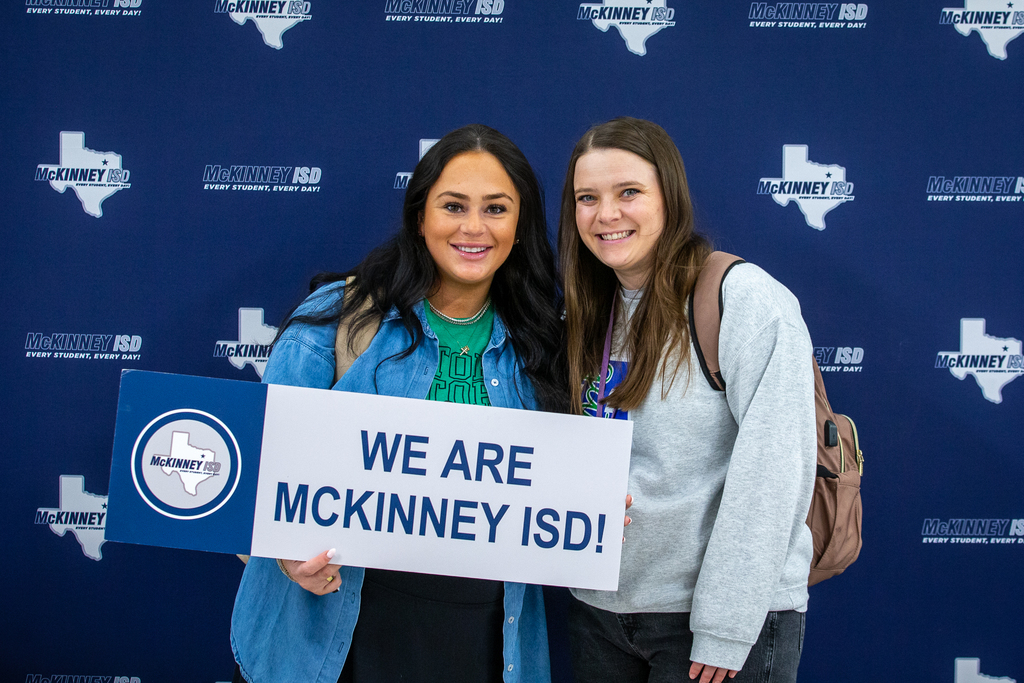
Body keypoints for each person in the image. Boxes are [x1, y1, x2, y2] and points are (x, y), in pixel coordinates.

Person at [230, 124, 566, 683]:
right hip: (336, 628)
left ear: (520, 223)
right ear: (420, 217)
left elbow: (552, 491)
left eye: (496, 209)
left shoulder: (543, 345)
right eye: (453, 206)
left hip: (479, 633)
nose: (473, 227)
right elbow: (256, 472)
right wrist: (285, 556)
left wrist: (594, 504)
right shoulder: (340, 318)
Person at [557, 117, 817, 683]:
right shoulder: (587, 310)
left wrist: (724, 627)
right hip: (601, 613)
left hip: (714, 620)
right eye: (587, 198)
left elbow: (773, 473)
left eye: (629, 192)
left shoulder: (742, 299)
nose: (606, 215)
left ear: (669, 197)